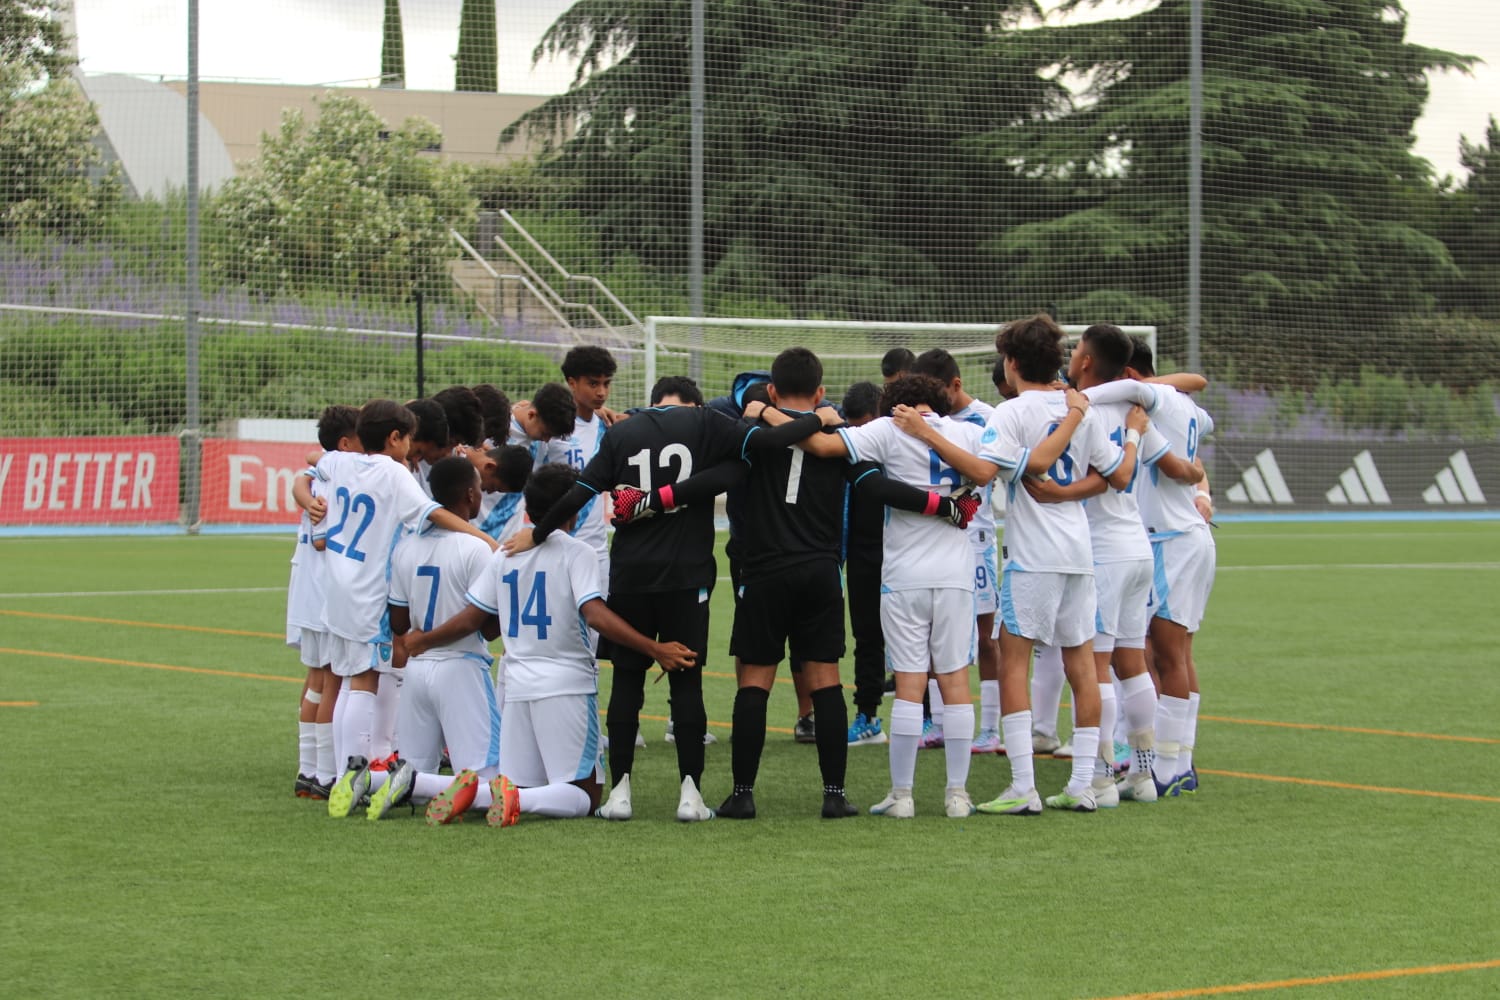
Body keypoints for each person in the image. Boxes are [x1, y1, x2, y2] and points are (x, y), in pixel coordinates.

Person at [502, 375, 838, 822]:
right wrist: (819, 418)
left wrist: (539, 532)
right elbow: (769, 444)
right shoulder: (706, 423)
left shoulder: (621, 431)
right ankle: (690, 794)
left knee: (626, 679)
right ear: (697, 404)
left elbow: (581, 491)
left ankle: (619, 794)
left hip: (631, 573)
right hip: (687, 574)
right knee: (687, 680)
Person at [791, 373, 1055, 818]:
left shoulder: (887, 429)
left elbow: (820, 447)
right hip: (956, 574)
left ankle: (903, 795)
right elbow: (999, 479)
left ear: (895, 404)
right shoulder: (971, 432)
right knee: (954, 681)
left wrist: (784, 417)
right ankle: (957, 795)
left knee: (911, 682)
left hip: (904, 574)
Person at [896, 315, 1130, 814]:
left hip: (1033, 557)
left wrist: (925, 433)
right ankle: (1084, 784)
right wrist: (1070, 488)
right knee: (1083, 666)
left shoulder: (1012, 413)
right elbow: (1116, 475)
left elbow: (983, 470)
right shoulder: (1082, 409)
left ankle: (1024, 785)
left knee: (1012, 663)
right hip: (1080, 556)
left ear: (1012, 362)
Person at [406, 464, 698, 826]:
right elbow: (594, 614)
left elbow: (475, 620)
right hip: (565, 686)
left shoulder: (506, 552)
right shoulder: (578, 552)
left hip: (515, 686)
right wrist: (654, 649)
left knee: (521, 784)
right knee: (586, 794)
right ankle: (506, 798)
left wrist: (422, 640)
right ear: (574, 506)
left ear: (530, 509)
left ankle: (424, 783)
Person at [310, 399, 499, 819]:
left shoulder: (340, 462)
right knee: (363, 682)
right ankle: (354, 777)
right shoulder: (394, 474)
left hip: (335, 587)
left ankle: (345, 773)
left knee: (343, 679)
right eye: (408, 439)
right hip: (366, 592)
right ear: (395, 438)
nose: (410, 449)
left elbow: (312, 460)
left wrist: (304, 495)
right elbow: (434, 512)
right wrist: (483, 539)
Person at [363, 456, 503, 821]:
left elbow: (398, 620)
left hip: (416, 675)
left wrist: (419, 638)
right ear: (471, 495)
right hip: (461, 668)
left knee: (417, 772)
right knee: (487, 782)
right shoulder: (476, 548)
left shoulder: (407, 547)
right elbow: (485, 626)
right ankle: (435, 790)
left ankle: (372, 782)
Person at [911, 348, 1003, 754]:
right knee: (935, 630)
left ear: (956, 385)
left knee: (985, 634)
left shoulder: (985, 419)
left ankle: (992, 725)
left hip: (976, 537)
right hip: (936, 538)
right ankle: (942, 722)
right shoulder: (924, 419)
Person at [288, 404, 359, 799]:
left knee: (316, 681)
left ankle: (309, 769)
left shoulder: (321, 472)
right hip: (326, 591)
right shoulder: (338, 474)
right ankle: (326, 773)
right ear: (347, 443)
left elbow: (304, 474)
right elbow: (322, 537)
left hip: (307, 590)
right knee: (332, 680)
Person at [840, 381, 890, 747]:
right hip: (861, 555)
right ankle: (868, 716)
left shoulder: (899, 446)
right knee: (867, 637)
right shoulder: (845, 449)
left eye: (865, 424)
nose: (860, 433)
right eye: (853, 425)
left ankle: (926, 716)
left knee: (914, 639)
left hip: (902, 555)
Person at [507, 382, 578, 464]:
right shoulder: (500, 434)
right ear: (531, 415)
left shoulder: (540, 436)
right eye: (545, 434)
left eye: (551, 436)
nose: (547, 440)